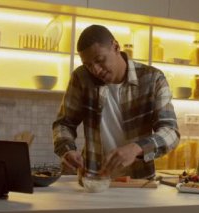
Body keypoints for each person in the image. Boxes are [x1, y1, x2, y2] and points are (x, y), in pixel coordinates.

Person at [52, 25, 180, 179]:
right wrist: (67, 150)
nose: (96, 70)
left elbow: (171, 132)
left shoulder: (153, 79)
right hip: (93, 180)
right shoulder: (81, 78)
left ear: (116, 46)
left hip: (139, 182)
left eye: (100, 60)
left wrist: (136, 148)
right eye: (88, 65)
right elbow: (64, 123)